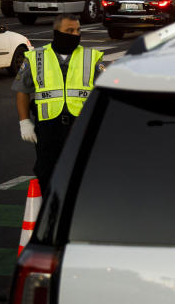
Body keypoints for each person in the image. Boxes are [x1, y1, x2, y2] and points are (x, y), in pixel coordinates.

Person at [12, 14, 105, 194]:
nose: (75, 34)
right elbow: (22, 90)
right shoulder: (36, 57)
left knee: (81, 173)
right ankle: (51, 212)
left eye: (78, 30)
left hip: (81, 126)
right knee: (46, 172)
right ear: (56, 32)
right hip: (48, 127)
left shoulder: (90, 56)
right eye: (69, 30)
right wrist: (24, 122)